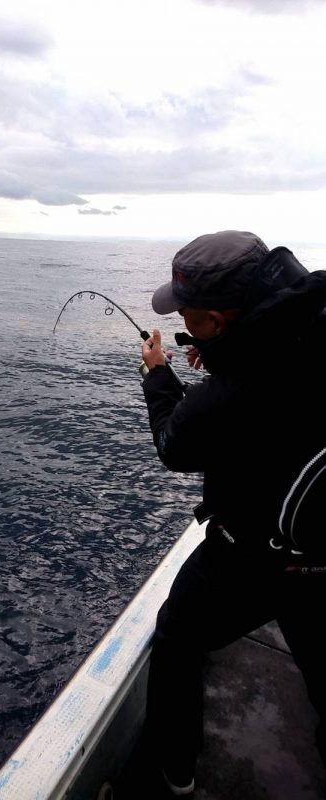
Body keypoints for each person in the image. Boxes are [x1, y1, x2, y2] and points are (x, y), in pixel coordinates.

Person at [140, 230, 326, 796]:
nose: (183, 322)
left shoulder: (231, 393)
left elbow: (176, 443)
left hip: (257, 556)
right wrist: (225, 351)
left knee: (176, 634)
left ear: (216, 320)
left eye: (189, 316)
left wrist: (157, 375)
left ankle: (173, 770)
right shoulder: (311, 323)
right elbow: (275, 366)